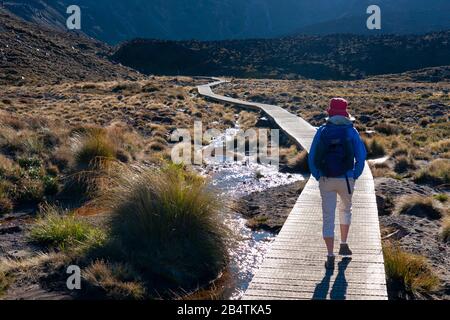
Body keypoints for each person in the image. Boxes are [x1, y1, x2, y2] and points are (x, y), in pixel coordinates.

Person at [308, 98, 367, 269]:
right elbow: (361, 157)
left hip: (326, 179)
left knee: (328, 216)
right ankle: (344, 243)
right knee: (345, 210)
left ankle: (330, 255)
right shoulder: (352, 131)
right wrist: (354, 174)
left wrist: (318, 175)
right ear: (345, 113)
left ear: (330, 113)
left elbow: (312, 157)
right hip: (347, 179)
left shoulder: (322, 131)